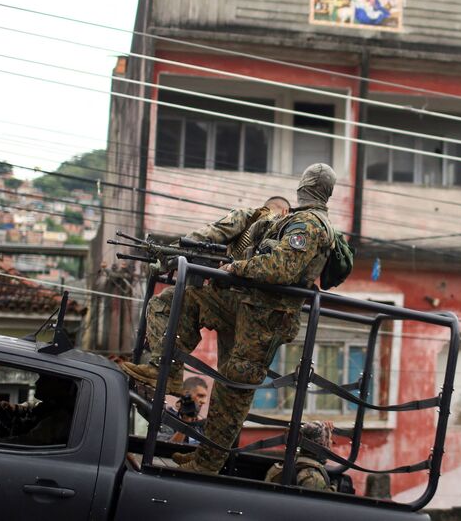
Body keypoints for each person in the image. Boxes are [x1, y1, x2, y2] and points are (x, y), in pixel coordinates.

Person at [123, 164, 336, 475]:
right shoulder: (296, 220)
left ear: (306, 186)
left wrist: (237, 268)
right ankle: (165, 370)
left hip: (264, 322)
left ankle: (206, 465)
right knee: (176, 301)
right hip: (246, 306)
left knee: (231, 392)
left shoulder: (309, 223)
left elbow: (282, 268)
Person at [120, 194, 291, 394]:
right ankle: (174, 376)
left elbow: (206, 235)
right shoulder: (291, 233)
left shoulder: (253, 216)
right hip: (262, 320)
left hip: (233, 303)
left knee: (164, 303)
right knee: (231, 382)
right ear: (287, 211)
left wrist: (166, 256)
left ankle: (165, 370)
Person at [0, 374, 74, 446]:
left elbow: (25, 442)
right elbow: (31, 405)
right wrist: (14, 407)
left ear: (58, 386)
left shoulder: (60, 418)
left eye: (43, 379)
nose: (37, 382)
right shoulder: (50, 405)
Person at [264, 421, 335, 491]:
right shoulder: (313, 478)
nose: (331, 444)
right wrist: (334, 487)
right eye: (329, 441)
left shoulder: (276, 469)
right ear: (322, 445)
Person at [158, 376, 209, 444]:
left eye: (205, 397)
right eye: (200, 396)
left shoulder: (199, 423)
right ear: (186, 394)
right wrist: (186, 423)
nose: (204, 401)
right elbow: (166, 448)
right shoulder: (167, 417)